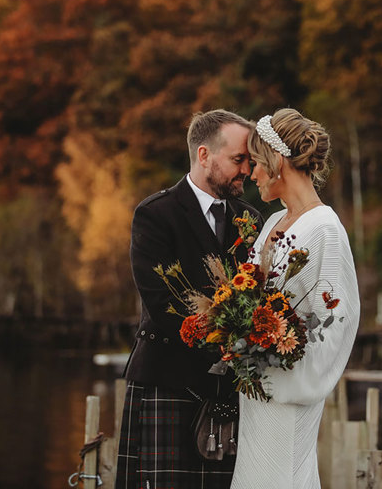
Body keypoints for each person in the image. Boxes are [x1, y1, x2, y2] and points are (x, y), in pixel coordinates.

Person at [115, 109, 264, 489]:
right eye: (238, 159)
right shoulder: (155, 215)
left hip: (227, 388)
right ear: (203, 155)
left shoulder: (251, 219)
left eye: (249, 161)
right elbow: (163, 303)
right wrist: (229, 346)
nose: (246, 169)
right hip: (170, 378)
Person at [230, 109, 360, 488]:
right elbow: (250, 294)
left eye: (256, 163)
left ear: (278, 161)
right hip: (255, 391)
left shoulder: (325, 230)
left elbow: (338, 320)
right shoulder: (272, 222)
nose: (251, 174)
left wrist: (284, 368)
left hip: (288, 393)